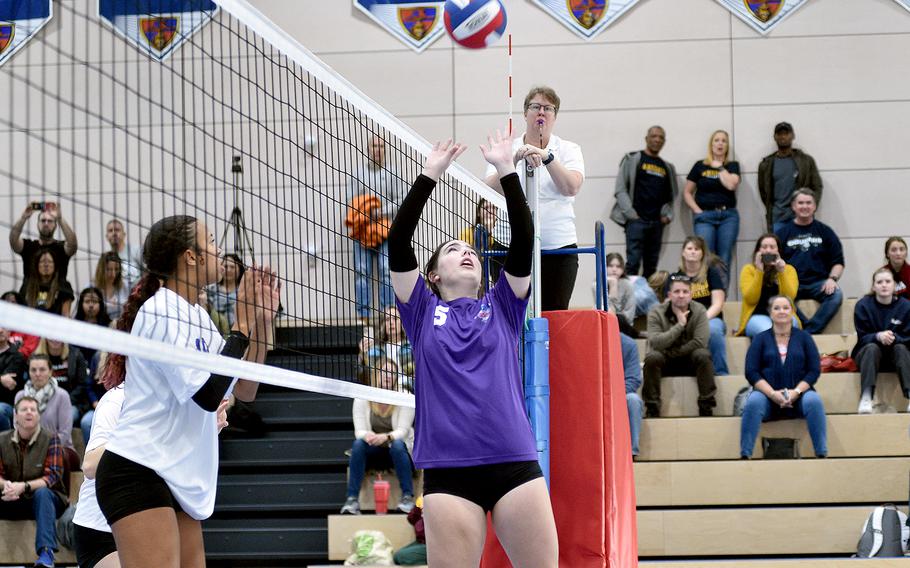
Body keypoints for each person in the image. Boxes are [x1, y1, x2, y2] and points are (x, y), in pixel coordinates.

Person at [390, 134, 557, 567]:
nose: (465, 252)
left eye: (469, 250)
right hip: (449, 473)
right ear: (432, 275)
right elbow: (398, 242)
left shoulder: (502, 305)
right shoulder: (420, 310)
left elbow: (524, 240)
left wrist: (506, 170)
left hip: (514, 462)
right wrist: (430, 175)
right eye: (452, 250)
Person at [93, 215, 280, 567]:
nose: (219, 249)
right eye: (211, 241)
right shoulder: (161, 311)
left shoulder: (198, 317)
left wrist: (260, 323)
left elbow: (246, 386)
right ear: (190, 257)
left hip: (174, 472)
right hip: (137, 467)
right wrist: (240, 325)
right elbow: (208, 397)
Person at [73, 381, 231, 568]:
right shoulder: (118, 398)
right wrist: (149, 435)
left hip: (153, 516)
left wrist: (202, 434)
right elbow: (90, 465)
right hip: (102, 528)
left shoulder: (182, 401)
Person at [485, 86, 585, 311]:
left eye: (548, 108)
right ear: (525, 113)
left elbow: (571, 187)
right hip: (508, 246)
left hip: (557, 248)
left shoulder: (568, 149)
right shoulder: (507, 148)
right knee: (509, 313)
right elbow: (489, 190)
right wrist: (511, 163)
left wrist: (548, 158)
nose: (541, 112)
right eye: (535, 107)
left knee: (554, 314)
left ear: (555, 117)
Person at [740, 296, 827, 459]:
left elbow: (813, 371)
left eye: (786, 308)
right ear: (770, 313)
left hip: (799, 398)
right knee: (753, 401)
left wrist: (796, 392)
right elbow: (751, 372)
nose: (782, 311)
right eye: (777, 308)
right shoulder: (760, 339)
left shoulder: (805, 338)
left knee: (814, 401)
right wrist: (773, 394)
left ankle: (821, 453)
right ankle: (745, 454)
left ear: (792, 312)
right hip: (767, 398)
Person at [340, 356, 415, 516]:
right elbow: (359, 431)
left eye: (392, 373)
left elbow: (403, 430)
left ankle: (407, 497)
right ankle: (352, 500)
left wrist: (386, 437)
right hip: (374, 450)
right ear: (376, 374)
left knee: (397, 444)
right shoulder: (362, 396)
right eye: (384, 372)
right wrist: (369, 436)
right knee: (358, 444)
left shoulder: (405, 396)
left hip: (398, 451)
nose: (388, 376)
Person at [0, 397, 68, 568]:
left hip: (48, 499)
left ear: (39, 416)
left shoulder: (51, 438)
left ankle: (46, 554)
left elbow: (53, 476)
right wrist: (6, 486)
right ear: (15, 415)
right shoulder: (1, 440)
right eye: (24, 409)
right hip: (13, 498)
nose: (29, 412)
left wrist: (23, 487)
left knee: (42, 493)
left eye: (33, 409)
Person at [346, 135, 406, 322]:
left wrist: (380, 212)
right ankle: (363, 315)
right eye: (374, 146)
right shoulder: (358, 174)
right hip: (362, 230)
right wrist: (365, 212)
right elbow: (351, 200)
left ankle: (387, 314)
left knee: (385, 270)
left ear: (385, 150)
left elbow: (400, 199)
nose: (377, 149)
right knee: (361, 270)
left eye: (381, 146)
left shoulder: (392, 173)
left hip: (386, 229)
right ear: (368, 148)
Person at [643, 274, 716, 417]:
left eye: (685, 292)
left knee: (703, 354)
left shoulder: (699, 310)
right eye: (676, 292)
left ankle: (706, 406)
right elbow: (655, 342)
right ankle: (652, 407)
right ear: (669, 295)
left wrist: (673, 352)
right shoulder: (656, 312)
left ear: (691, 295)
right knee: (651, 358)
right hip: (664, 361)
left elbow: (700, 341)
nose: (681, 295)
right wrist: (680, 325)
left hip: (689, 360)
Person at [610, 126, 679, 278]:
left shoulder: (667, 167)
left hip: (656, 223)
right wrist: (631, 214)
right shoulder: (633, 159)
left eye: (661, 137)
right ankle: (627, 301)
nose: (657, 140)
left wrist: (668, 216)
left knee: (651, 267)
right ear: (646, 138)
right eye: (654, 136)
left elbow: (671, 195)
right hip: (636, 222)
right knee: (632, 264)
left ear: (664, 141)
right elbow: (620, 189)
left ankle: (648, 300)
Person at [775, 189, 844, 334]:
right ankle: (807, 327)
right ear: (793, 206)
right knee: (779, 298)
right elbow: (773, 260)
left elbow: (838, 262)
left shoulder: (825, 231)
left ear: (814, 206)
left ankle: (809, 331)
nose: (804, 206)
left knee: (836, 295)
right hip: (792, 283)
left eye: (808, 203)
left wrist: (832, 279)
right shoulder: (782, 233)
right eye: (800, 203)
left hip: (819, 283)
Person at [852, 268, 910, 414]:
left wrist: (895, 338)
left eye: (888, 281)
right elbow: (862, 337)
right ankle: (866, 397)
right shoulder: (863, 305)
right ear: (873, 286)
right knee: (872, 347)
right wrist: (877, 336)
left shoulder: (906, 306)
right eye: (879, 282)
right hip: (868, 355)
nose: (884, 285)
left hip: (896, 356)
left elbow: (909, 338)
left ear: (895, 285)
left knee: (901, 348)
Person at [682, 130, 741, 274]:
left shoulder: (732, 166)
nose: (720, 143)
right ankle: (706, 295)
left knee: (724, 258)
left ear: (727, 146)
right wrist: (697, 210)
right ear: (711, 144)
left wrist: (720, 167)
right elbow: (687, 192)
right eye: (717, 140)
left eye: (723, 141)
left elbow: (731, 185)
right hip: (705, 216)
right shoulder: (700, 165)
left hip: (728, 216)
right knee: (705, 256)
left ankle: (721, 295)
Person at [758, 122, 823, 233]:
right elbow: (764, 192)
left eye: (786, 133)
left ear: (793, 136)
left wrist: (809, 208)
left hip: (801, 217)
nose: (783, 136)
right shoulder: (766, 164)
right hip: (778, 218)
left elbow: (817, 187)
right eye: (779, 134)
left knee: (803, 249)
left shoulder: (806, 161)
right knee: (779, 249)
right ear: (775, 137)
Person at [677, 237, 728, 375]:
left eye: (696, 249)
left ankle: (721, 373)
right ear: (683, 252)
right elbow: (671, 305)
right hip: (685, 320)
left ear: (702, 253)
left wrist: (701, 319)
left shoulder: (711, 273)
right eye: (689, 248)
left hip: (711, 318)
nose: (693, 252)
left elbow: (718, 303)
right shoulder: (677, 277)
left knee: (714, 331)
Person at [34, 338, 95, 446]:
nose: (55, 339)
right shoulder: (37, 356)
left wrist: (65, 401)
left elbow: (83, 384)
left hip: (72, 402)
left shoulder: (75, 354)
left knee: (66, 415)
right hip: (43, 398)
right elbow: (32, 380)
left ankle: (59, 449)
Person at [9, 202, 78, 296]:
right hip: (29, 297)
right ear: (37, 224)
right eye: (43, 220)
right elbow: (13, 241)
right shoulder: (29, 246)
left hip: (56, 299)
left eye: (50, 221)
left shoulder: (61, 247)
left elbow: (73, 245)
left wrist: (60, 219)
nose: (46, 224)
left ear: (55, 225)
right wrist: (23, 218)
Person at [737, 234, 799, 337]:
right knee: (769, 330)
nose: (768, 251)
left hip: (783, 313)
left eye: (772, 247)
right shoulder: (748, 270)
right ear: (758, 250)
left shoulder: (788, 270)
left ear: (778, 251)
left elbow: (789, 298)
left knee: (791, 326)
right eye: (764, 247)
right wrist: (759, 271)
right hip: (757, 316)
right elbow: (750, 299)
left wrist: (781, 272)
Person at [15, 354, 74, 450]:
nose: (37, 374)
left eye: (42, 370)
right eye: (33, 370)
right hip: (27, 450)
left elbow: (65, 433)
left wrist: (42, 450)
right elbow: (17, 427)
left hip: (58, 449)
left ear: (50, 372)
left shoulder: (62, 396)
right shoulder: (20, 396)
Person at [459, 198, 505, 287]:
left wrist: (491, 230)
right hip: (476, 272)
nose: (490, 211)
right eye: (486, 207)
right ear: (479, 212)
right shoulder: (467, 233)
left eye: (494, 208)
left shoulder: (501, 235)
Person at [24, 248, 74, 316]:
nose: (46, 265)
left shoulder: (64, 286)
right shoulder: (28, 285)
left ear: (55, 266)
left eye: (50, 261)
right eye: (42, 262)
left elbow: (65, 315)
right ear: (37, 265)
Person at [74, 287, 113, 364]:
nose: (91, 305)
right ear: (81, 304)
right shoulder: (75, 326)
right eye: (87, 301)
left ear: (100, 304)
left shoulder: (108, 326)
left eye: (94, 301)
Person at [620, 333, 644, 457]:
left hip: (619, 394)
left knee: (633, 400)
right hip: (593, 396)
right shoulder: (589, 342)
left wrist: (612, 395)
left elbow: (633, 379)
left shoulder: (628, 344)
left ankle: (631, 454)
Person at [207, 253, 245, 329]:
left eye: (232, 267)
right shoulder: (211, 290)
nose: (228, 270)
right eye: (225, 266)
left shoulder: (244, 292)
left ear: (239, 269)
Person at [0, 327, 27, 431]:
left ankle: (5, 444)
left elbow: (8, 386)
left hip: (7, 403)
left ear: (9, 331)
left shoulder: (17, 356)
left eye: (4, 327)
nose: (0, 330)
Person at [105, 219, 143, 290]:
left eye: (117, 230)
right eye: (110, 231)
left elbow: (149, 273)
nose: (114, 233)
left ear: (124, 234)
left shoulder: (136, 251)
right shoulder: (106, 258)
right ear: (107, 236)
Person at [0, 291, 39, 358]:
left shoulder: (29, 326)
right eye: (6, 302)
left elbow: (28, 350)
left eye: (13, 302)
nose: (9, 305)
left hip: (19, 363)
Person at [93, 252, 129, 320]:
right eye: (109, 269)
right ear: (101, 269)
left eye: (116, 269)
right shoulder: (91, 288)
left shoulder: (125, 287)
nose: (113, 274)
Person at [605, 253, 636, 328]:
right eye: (610, 266)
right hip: (606, 322)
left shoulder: (628, 285)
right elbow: (603, 311)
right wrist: (612, 286)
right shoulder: (597, 284)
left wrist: (614, 285)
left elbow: (629, 315)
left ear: (623, 269)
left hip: (624, 325)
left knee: (619, 319)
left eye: (618, 266)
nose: (614, 269)